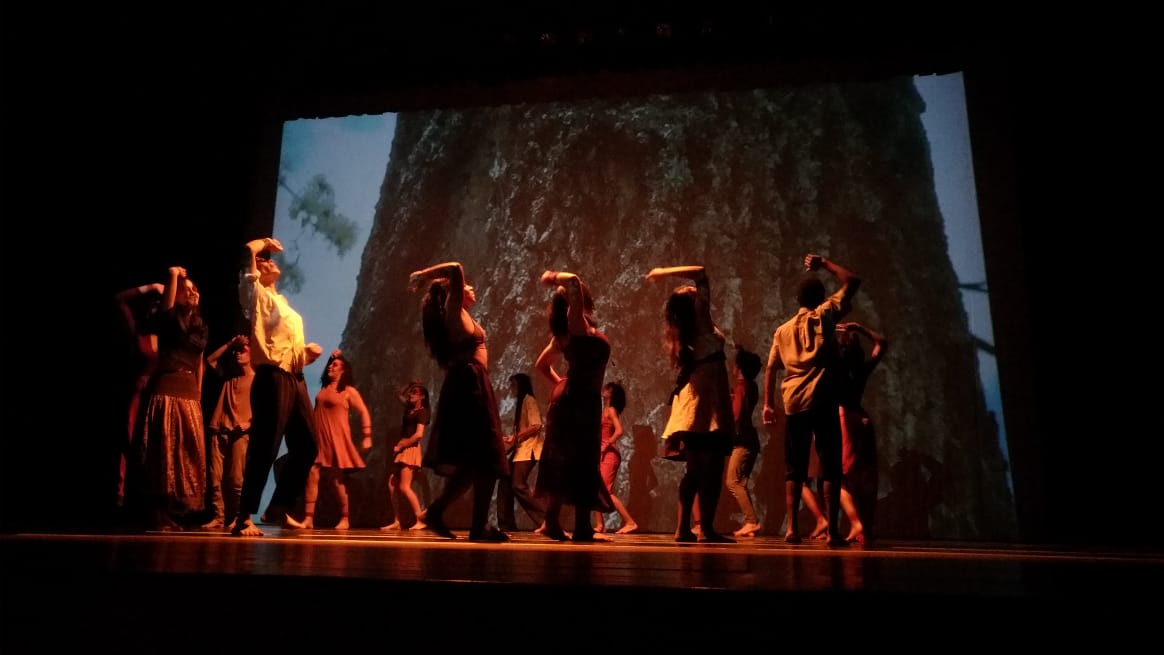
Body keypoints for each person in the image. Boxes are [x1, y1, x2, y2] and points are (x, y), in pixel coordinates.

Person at [762, 253, 860, 547]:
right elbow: (853, 281)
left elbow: (771, 368)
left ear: (797, 299)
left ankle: (792, 528)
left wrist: (768, 403)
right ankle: (832, 532)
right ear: (820, 298)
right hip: (823, 400)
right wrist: (826, 264)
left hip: (794, 404)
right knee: (829, 466)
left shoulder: (782, 330)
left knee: (795, 467)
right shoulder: (826, 315)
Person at [407, 261, 510, 542]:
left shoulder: (461, 313)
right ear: (453, 291)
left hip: (472, 383)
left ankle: (440, 513)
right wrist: (423, 274)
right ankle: (473, 525)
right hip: (469, 385)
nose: (470, 286)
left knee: (477, 461)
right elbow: (455, 268)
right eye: (465, 285)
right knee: (487, 458)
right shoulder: (453, 311)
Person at [231, 237, 323, 537]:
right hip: (272, 378)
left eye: (270, 259)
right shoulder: (256, 295)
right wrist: (257, 246)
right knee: (265, 446)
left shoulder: (281, 302)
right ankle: (243, 516)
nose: (270, 262)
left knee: (308, 445)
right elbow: (247, 257)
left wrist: (305, 355)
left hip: (294, 379)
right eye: (264, 260)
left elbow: (284, 347)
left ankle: (278, 506)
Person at [646, 265, 735, 543]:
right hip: (708, 401)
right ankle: (703, 528)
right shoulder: (702, 322)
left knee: (696, 470)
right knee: (710, 469)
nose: (696, 291)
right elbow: (702, 272)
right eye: (692, 292)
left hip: (698, 401)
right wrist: (664, 272)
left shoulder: (686, 333)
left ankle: (684, 527)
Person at [124, 266, 208, 531]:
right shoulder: (169, 320)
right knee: (165, 454)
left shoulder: (200, 325)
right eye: (188, 288)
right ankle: (156, 513)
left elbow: (200, 362)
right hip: (167, 390)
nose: (193, 291)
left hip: (189, 393)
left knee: (185, 455)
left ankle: (173, 512)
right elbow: (167, 311)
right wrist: (174, 277)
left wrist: (198, 392)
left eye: (195, 288)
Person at [533, 270, 615, 542]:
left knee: (569, 460)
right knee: (578, 460)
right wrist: (552, 277)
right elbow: (574, 282)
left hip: (575, 399)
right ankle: (577, 526)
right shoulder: (576, 325)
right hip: (579, 402)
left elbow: (542, 366)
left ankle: (558, 523)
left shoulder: (564, 334)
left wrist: (562, 385)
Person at [298, 350, 372, 530]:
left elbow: (363, 411)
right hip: (319, 438)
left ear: (344, 371)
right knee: (313, 473)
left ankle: (345, 518)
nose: (331, 366)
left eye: (335, 365)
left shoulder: (348, 391)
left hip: (336, 438)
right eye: (330, 364)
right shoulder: (324, 389)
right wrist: (331, 358)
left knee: (336, 479)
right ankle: (308, 519)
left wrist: (367, 436)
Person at [834, 321, 887, 545]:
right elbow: (881, 343)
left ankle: (856, 522)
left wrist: (830, 329)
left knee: (840, 479)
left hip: (845, 417)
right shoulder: (861, 368)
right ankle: (865, 528)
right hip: (862, 418)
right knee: (866, 475)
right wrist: (859, 328)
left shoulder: (835, 368)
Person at [114, 282, 162, 510]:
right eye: (152, 307)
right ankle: (121, 498)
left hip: (161, 398)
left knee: (156, 450)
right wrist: (151, 287)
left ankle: (152, 504)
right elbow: (120, 299)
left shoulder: (172, 336)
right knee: (130, 443)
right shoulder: (138, 334)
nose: (155, 311)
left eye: (159, 307)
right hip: (138, 397)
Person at [201, 334, 254, 530]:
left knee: (236, 479)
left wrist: (249, 425)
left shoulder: (257, 380)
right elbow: (210, 360)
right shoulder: (228, 376)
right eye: (236, 351)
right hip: (219, 428)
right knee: (215, 478)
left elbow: (264, 408)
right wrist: (230, 343)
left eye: (243, 350)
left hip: (240, 432)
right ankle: (218, 516)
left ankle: (237, 517)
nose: (238, 354)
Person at [496, 373, 546, 532]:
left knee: (518, 484)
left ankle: (546, 519)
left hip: (528, 450)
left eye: (513, 385)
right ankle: (506, 524)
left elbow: (536, 425)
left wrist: (516, 437)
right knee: (505, 481)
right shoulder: (521, 402)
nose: (511, 389)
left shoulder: (528, 400)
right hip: (520, 450)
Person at [381, 380, 429, 531]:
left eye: (415, 392)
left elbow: (419, 435)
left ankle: (420, 518)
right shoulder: (410, 409)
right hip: (402, 448)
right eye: (411, 392)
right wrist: (409, 383)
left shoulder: (422, 412)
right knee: (392, 484)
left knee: (404, 486)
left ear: (422, 397)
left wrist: (402, 444)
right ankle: (397, 520)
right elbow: (398, 394)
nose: (411, 394)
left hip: (410, 448)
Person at [592, 382, 638, 534]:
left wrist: (606, 445)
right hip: (600, 453)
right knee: (595, 488)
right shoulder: (603, 409)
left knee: (605, 490)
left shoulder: (611, 410)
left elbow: (619, 431)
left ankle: (630, 522)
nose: (604, 390)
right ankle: (599, 525)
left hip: (609, 454)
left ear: (612, 393)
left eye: (608, 389)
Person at [727, 346, 763, 538]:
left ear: (739, 367)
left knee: (732, 482)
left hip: (743, 441)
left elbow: (736, 414)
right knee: (741, 482)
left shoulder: (742, 387)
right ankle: (750, 522)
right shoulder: (752, 386)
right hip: (751, 440)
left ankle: (751, 521)